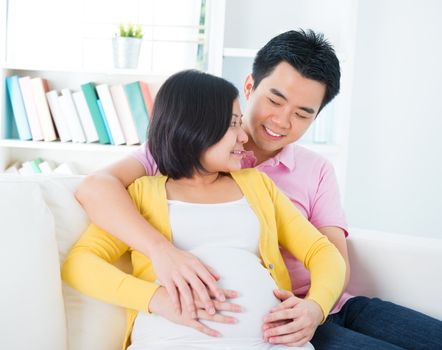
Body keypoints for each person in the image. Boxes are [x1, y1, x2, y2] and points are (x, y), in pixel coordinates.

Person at [75, 30, 442, 349]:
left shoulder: (307, 173)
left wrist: (314, 307)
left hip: (328, 306)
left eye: (302, 113)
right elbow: (96, 190)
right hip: (279, 324)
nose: (282, 121)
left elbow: (329, 255)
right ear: (250, 86)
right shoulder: (165, 164)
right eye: (275, 101)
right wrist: (161, 252)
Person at [62, 69, 346, 350]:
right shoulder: (142, 195)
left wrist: (315, 307)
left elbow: (322, 252)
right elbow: (80, 264)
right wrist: (155, 298)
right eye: (233, 124)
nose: (243, 137)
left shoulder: (258, 186)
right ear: (196, 129)